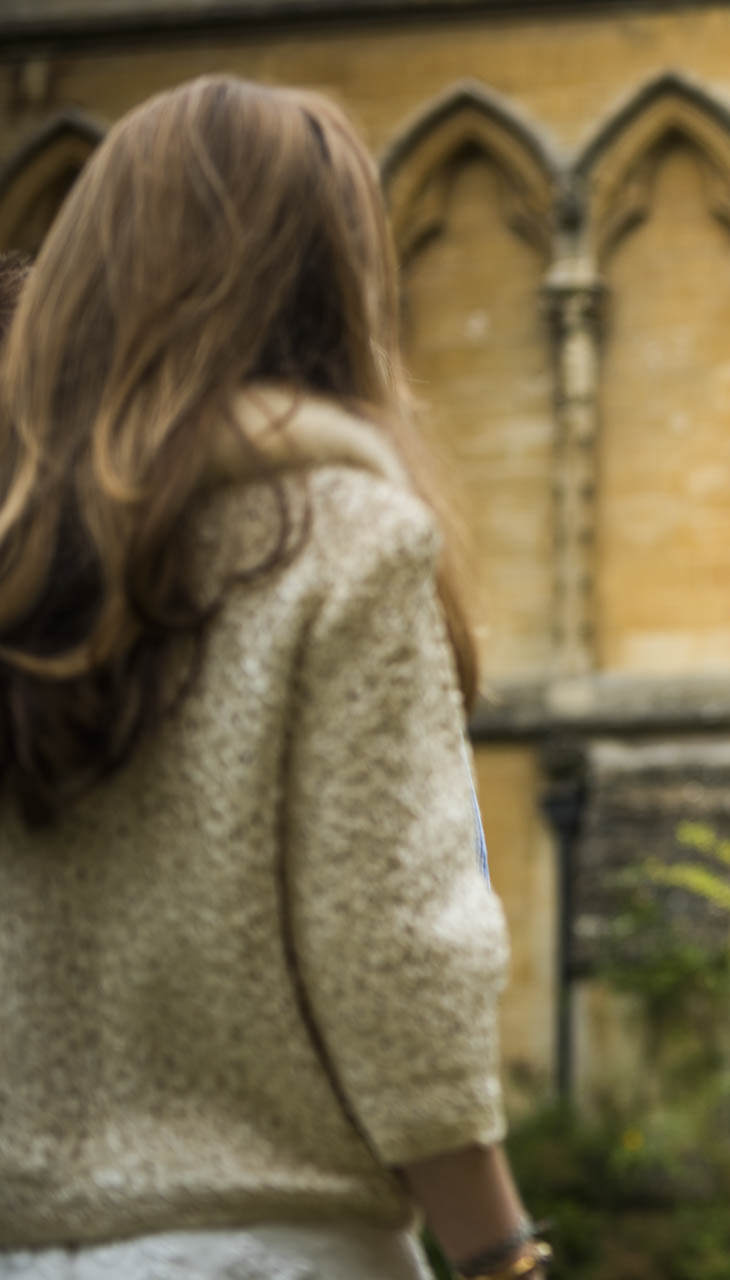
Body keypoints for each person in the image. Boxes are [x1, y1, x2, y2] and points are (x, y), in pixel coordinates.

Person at [0, 77, 548, 1280]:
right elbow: (395, 947)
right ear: (327, 279)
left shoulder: (23, 555)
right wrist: (500, 1250)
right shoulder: (342, 533)